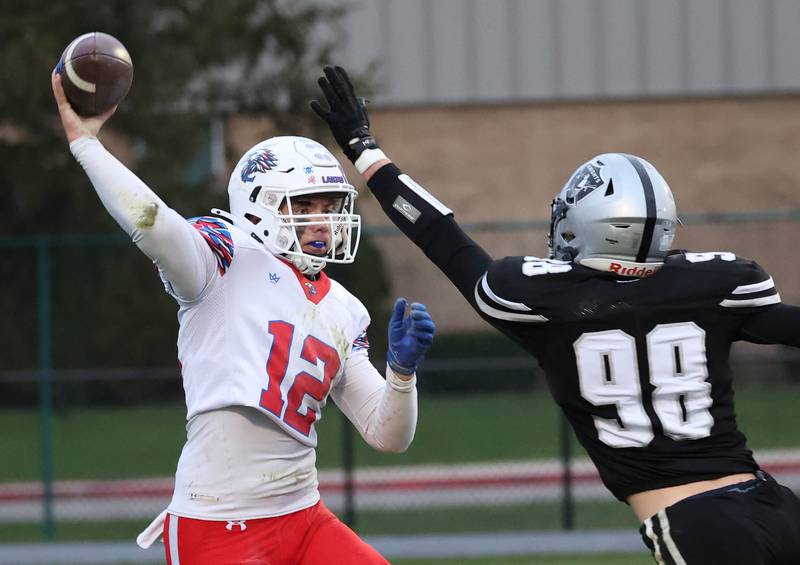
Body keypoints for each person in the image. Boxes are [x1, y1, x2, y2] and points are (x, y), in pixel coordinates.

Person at [310, 65, 800, 565]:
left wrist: (364, 150)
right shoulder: (711, 286)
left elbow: (441, 237)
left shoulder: (551, 304)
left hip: (698, 523)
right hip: (776, 504)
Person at [51, 68, 436, 565]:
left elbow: (387, 435)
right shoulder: (223, 258)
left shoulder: (345, 306)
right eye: (305, 205)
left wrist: (402, 374)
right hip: (217, 524)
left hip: (304, 515)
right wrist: (88, 146)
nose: (323, 219)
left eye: (330, 204)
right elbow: (152, 224)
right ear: (260, 208)